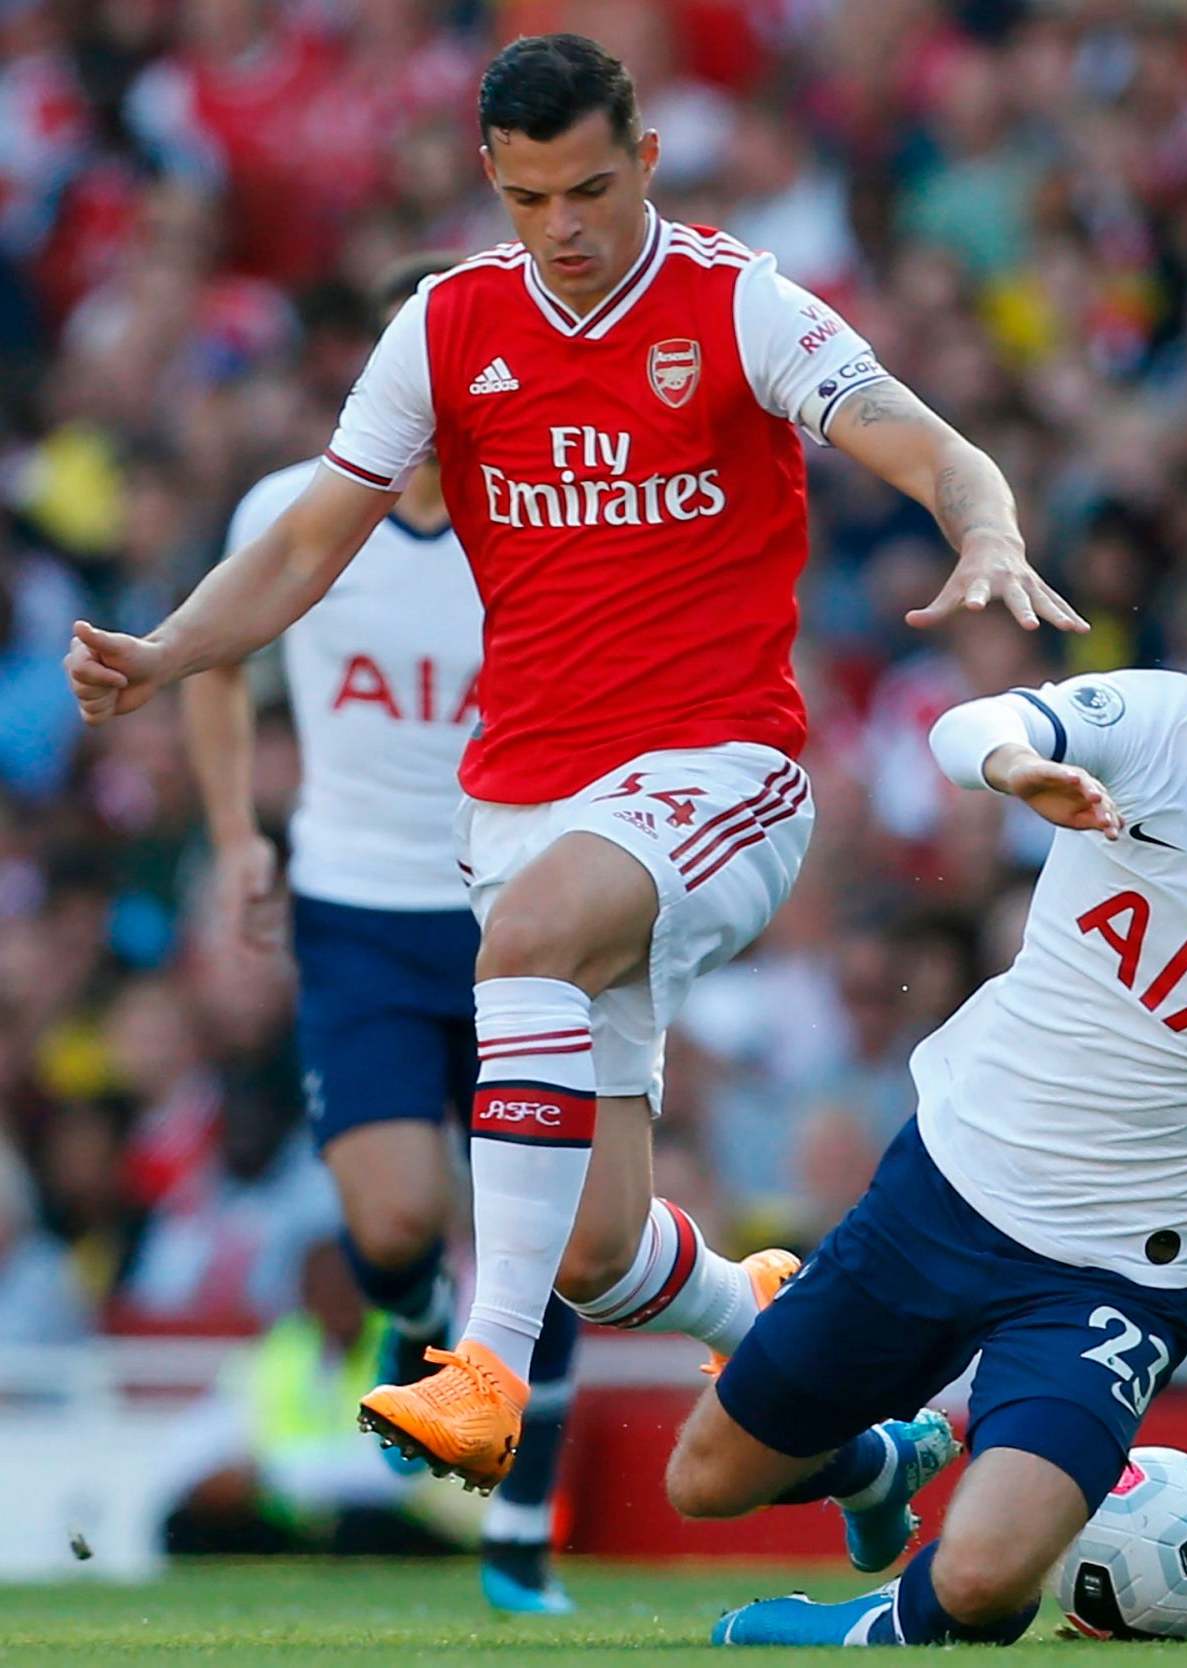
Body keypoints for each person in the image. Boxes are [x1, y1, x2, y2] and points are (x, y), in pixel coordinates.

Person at [64, 32, 1081, 1503]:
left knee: (529, 938)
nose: (569, 229)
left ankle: (478, 1374)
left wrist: (984, 528)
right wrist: (167, 654)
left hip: (722, 774)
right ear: (494, 179)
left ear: (647, 160)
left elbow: (929, 446)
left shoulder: (738, 304)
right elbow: (302, 546)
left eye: (595, 190)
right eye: (535, 199)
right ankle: (847, 1430)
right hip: (526, 798)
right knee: (602, 1253)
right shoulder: (444, 328)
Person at [662, 566, 1187, 1649]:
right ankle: (880, 1461)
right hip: (944, 1190)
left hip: (1114, 1278)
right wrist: (1015, 769)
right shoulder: (1156, 727)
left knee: (988, 1574)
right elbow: (969, 726)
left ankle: (875, 1632)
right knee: (705, 1482)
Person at [178, 253, 583, 1611]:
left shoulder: (541, 528)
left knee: (552, 1217)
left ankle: (524, 1532)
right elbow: (215, 660)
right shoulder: (291, 513)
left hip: (519, 904)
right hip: (355, 908)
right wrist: (241, 832)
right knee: (399, 1213)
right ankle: (417, 1327)